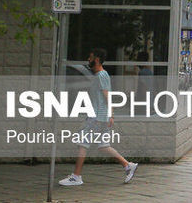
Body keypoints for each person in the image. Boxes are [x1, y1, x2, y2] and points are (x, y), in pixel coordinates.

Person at [59, 48, 138, 187]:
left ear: (96, 59)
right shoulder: (101, 75)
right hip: (101, 116)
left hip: (97, 116)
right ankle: (127, 165)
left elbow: (107, 96)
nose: (88, 60)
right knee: (103, 146)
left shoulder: (101, 75)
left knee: (83, 143)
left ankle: (76, 176)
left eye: (90, 57)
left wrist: (111, 114)